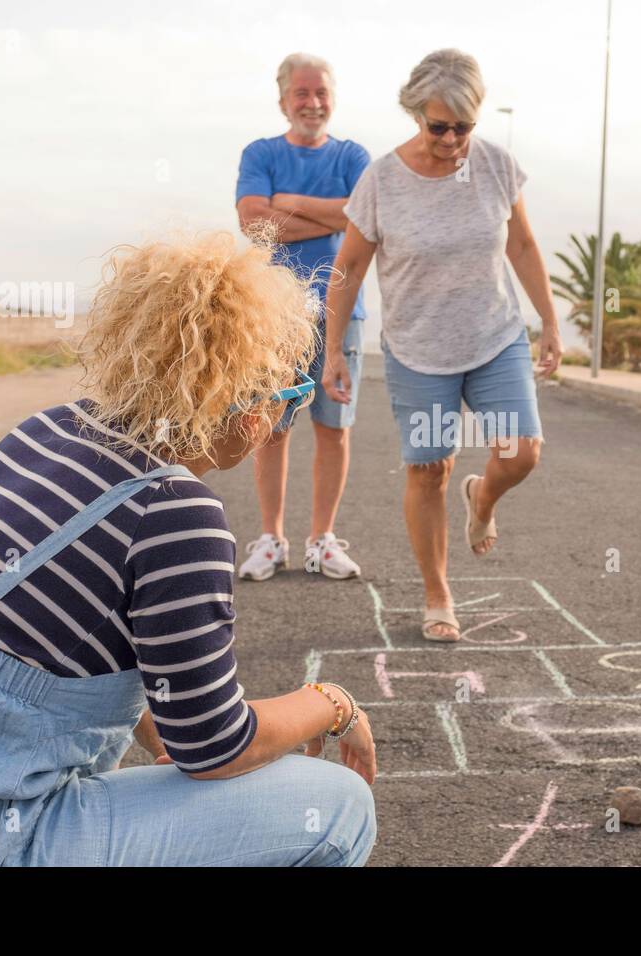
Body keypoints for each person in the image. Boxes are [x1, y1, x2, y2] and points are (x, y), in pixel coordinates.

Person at [0, 233, 378, 866]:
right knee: (334, 808)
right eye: (287, 402)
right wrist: (330, 703)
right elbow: (218, 749)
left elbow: (69, 635)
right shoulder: (175, 511)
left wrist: (160, 725)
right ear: (247, 402)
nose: (278, 426)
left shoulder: (44, 433)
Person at [322, 49, 562, 642]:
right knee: (429, 468)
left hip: (494, 336)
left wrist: (550, 321)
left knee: (522, 452)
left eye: (464, 126)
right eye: (439, 126)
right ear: (415, 114)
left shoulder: (497, 166)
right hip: (417, 349)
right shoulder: (381, 179)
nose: (453, 139)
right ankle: (438, 593)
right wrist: (332, 350)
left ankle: (482, 497)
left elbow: (524, 248)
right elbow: (348, 269)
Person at [234, 52, 370, 582]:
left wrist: (287, 203)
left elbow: (363, 220)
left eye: (321, 93)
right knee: (271, 426)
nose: (312, 103)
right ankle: (271, 538)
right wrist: (330, 213)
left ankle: (322, 539)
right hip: (274, 310)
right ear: (284, 99)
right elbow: (253, 223)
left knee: (334, 428)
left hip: (342, 308)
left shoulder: (353, 155)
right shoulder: (261, 152)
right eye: (302, 93)